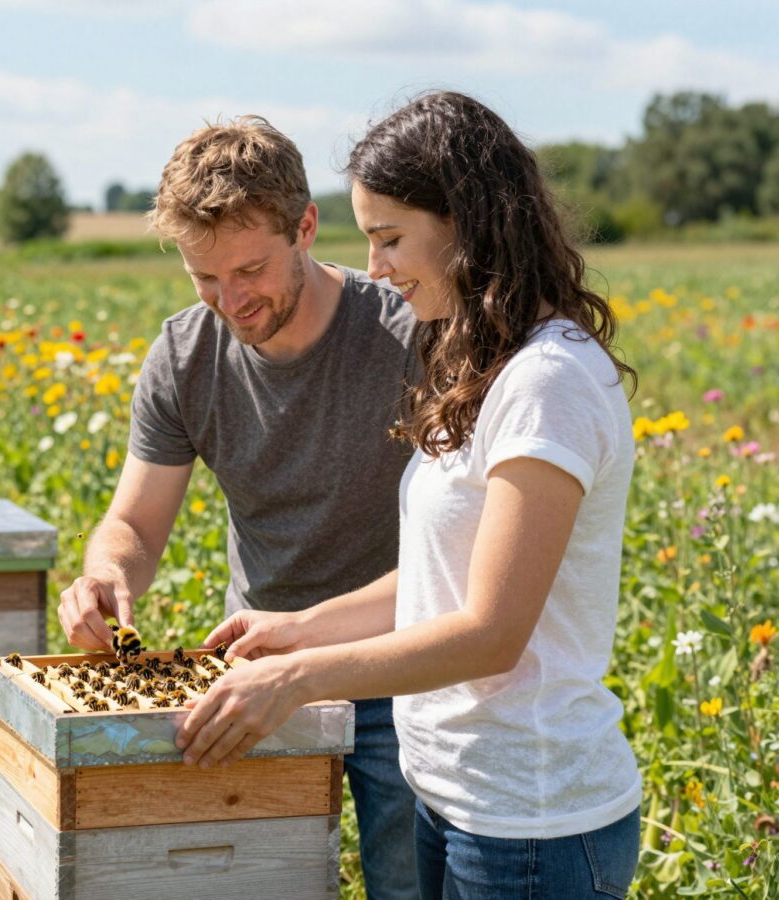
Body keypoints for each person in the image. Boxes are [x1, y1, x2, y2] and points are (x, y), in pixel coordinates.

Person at [175, 91, 642, 899]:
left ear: (469, 222)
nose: (378, 269)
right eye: (369, 240)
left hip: (530, 825)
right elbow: (442, 583)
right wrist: (301, 629)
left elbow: (491, 632)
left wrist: (295, 679)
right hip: (454, 798)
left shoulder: (547, 381)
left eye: (391, 239)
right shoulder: (482, 365)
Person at [57, 116, 420, 899]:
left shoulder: (409, 334)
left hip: (402, 669)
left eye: (249, 270)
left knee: (409, 887)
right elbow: (134, 527)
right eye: (205, 279)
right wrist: (104, 577)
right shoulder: (185, 356)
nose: (231, 301)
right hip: (254, 682)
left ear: (308, 226)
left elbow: (461, 557)